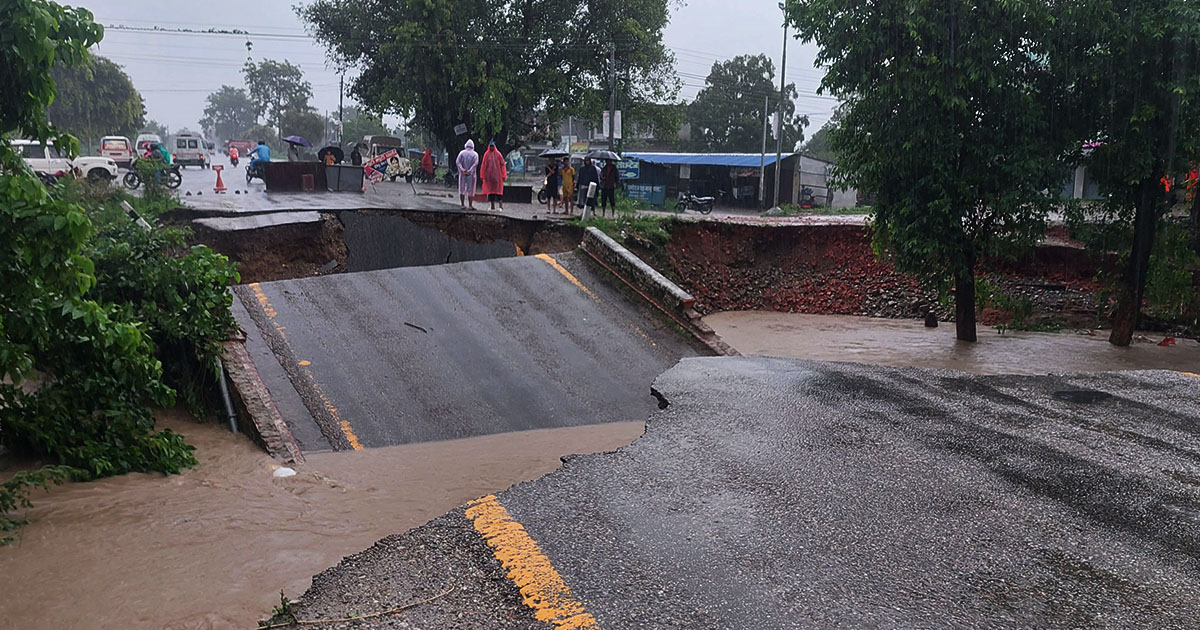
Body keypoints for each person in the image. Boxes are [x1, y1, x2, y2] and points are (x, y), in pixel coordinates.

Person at [479, 141, 507, 212]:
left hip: (498, 177)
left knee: (499, 192)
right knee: (491, 192)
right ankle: (492, 206)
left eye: (492, 146)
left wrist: (504, 175)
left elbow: (502, 164)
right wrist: (482, 175)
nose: (491, 148)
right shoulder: (486, 155)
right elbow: (483, 165)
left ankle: (500, 205)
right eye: (490, 146)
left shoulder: (498, 154)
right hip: (489, 178)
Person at [456, 139, 479, 209]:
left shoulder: (461, 153)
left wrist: (463, 170)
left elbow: (457, 162)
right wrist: (469, 171)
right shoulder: (475, 154)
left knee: (462, 189)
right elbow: (475, 164)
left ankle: (462, 204)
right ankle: (470, 205)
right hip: (471, 175)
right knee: (471, 190)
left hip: (462, 174)